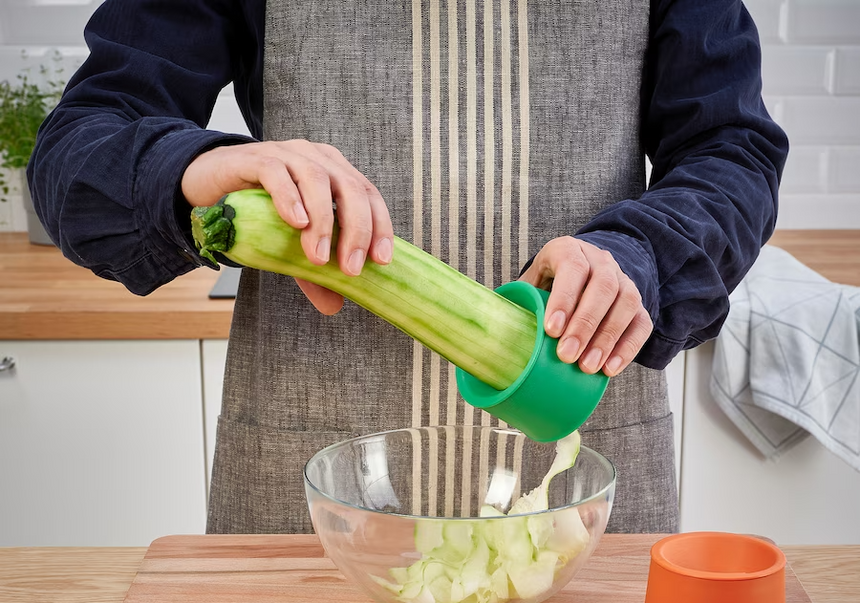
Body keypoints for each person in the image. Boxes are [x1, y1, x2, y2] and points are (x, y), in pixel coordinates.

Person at [28, 0, 788, 535]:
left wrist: (642, 254)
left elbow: (732, 150)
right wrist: (194, 166)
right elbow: (77, 149)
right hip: (307, 469)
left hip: (583, 452)